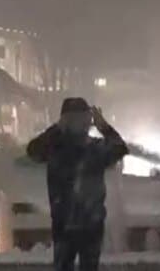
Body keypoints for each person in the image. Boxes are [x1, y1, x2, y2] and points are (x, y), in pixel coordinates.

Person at [27, 98, 128, 271]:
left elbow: (120, 149)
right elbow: (33, 151)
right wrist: (57, 128)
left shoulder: (93, 148)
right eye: (74, 119)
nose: (80, 124)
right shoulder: (55, 148)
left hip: (87, 222)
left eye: (83, 119)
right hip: (67, 222)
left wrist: (103, 126)